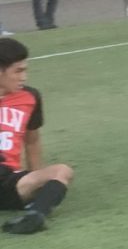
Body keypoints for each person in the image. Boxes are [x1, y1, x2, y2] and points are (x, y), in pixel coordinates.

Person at [0, 38, 74, 234]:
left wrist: (36, 180)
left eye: (25, 70)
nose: (24, 77)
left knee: (62, 171)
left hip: (9, 182)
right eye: (18, 71)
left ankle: (34, 216)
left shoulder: (30, 97)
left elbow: (32, 141)